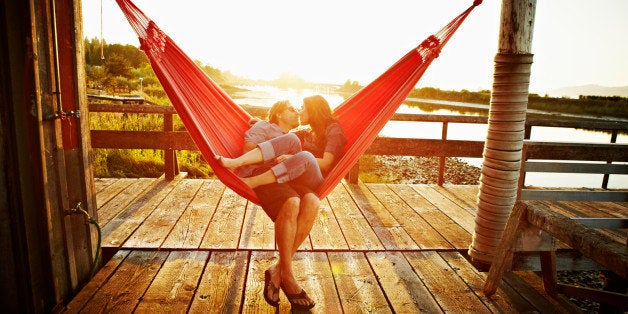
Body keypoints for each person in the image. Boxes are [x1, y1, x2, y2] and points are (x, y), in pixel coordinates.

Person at [217, 96, 346, 310]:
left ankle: (281, 271)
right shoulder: (296, 131)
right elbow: (263, 139)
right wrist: (258, 125)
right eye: (294, 108)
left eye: (301, 108)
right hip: (293, 178)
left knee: (302, 154)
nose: (298, 111)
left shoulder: (329, 130)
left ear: (313, 110)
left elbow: (324, 163)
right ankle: (282, 272)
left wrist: (292, 158)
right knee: (310, 201)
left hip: (307, 175)